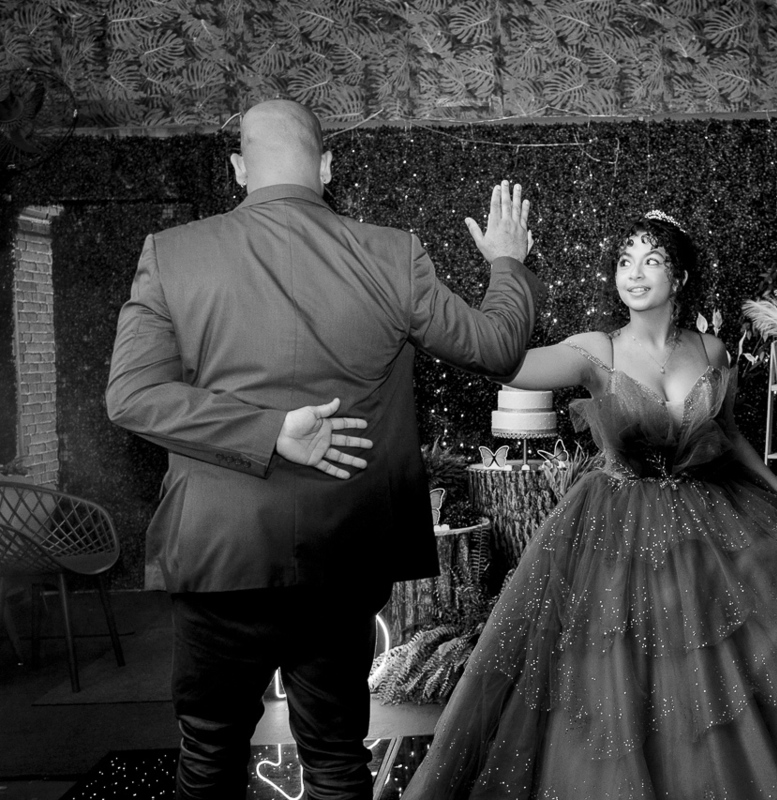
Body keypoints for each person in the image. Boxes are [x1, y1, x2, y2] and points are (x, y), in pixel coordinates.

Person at [401, 211, 777, 799]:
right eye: (625, 261)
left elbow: (729, 439)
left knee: (773, 641)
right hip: (617, 525)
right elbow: (497, 361)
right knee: (625, 677)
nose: (635, 272)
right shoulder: (597, 349)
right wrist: (508, 271)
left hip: (708, 517)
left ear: (681, 276)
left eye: (651, 260)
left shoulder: (712, 352)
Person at [105, 99, 545, 800]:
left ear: (240, 168)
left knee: (206, 760)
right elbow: (497, 346)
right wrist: (506, 263)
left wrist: (265, 431)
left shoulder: (172, 253)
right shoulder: (392, 254)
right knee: (338, 762)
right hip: (344, 553)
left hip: (222, 556)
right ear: (328, 166)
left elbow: (130, 396)